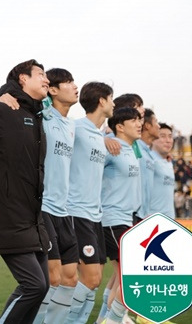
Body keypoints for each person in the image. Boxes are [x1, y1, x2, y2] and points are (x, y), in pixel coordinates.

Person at [0, 59, 51, 323]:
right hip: (7, 216)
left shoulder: (34, 115)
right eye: (40, 74)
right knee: (34, 286)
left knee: (41, 287)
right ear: (22, 79)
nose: (46, 79)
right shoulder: (5, 109)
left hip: (31, 217)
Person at [63, 82, 114, 323]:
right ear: (102, 101)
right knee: (90, 278)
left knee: (93, 283)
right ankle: (61, 319)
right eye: (111, 99)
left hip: (96, 215)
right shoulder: (75, 129)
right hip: (77, 211)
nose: (113, 104)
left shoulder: (100, 135)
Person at [33, 68, 80, 324]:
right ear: (52, 89)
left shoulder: (72, 126)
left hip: (64, 211)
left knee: (71, 278)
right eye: (69, 82)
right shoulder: (41, 116)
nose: (75, 86)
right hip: (43, 208)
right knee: (52, 278)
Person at [100, 107, 143, 324]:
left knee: (123, 278)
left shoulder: (130, 149)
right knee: (131, 276)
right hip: (112, 220)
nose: (139, 124)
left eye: (140, 120)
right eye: (134, 120)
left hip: (129, 219)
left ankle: (111, 320)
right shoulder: (111, 147)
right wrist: (103, 138)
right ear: (119, 126)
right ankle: (114, 320)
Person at [136, 109, 160, 221]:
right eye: (156, 122)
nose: (158, 126)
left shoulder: (148, 152)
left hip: (145, 215)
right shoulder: (134, 146)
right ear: (147, 126)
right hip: (133, 215)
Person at [149, 123, 176, 218]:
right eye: (163, 136)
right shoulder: (148, 159)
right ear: (153, 140)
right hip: (152, 220)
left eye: (170, 136)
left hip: (169, 220)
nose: (168, 141)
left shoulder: (168, 161)